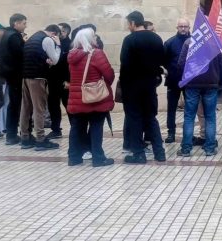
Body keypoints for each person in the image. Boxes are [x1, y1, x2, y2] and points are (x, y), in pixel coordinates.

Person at [120, 10, 166, 164]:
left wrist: (123, 86)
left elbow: (125, 65)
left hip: (132, 87)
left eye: (128, 24)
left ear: (133, 23)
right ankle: (159, 153)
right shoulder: (156, 39)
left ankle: (138, 154)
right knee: (151, 118)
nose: (128, 27)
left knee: (134, 119)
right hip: (150, 85)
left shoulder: (129, 40)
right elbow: (161, 61)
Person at [66, 28, 115, 167]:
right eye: (94, 36)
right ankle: (98, 158)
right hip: (95, 98)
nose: (96, 38)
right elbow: (109, 74)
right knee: (96, 127)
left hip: (77, 97)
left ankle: (74, 157)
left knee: (76, 127)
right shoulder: (96, 53)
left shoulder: (71, 55)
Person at [175, 28, 222, 159]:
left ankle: (186, 149)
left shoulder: (189, 42)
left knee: (189, 117)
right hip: (211, 84)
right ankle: (209, 148)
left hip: (192, 84)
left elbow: (181, 64)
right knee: (210, 117)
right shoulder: (215, 42)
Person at [20, 24, 62, 151]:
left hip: (26, 77)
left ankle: (25, 138)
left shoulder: (33, 38)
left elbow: (36, 56)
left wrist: (46, 60)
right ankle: (40, 139)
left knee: (26, 108)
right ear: (54, 34)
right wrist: (58, 46)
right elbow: (55, 60)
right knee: (40, 109)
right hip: (38, 78)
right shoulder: (47, 39)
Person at [0, 13, 27, 145]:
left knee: (13, 104)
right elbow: (21, 53)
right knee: (15, 105)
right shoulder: (14, 36)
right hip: (15, 75)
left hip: (10, 74)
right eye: (23, 23)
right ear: (16, 23)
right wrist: (25, 43)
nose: (25, 26)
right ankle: (11, 135)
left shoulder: (6, 34)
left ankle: (12, 134)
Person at [162, 18, 191, 143]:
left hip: (190, 81)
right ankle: (171, 133)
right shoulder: (169, 43)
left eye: (185, 26)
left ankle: (187, 134)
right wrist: (166, 70)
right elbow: (162, 61)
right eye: (181, 26)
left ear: (189, 27)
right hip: (173, 81)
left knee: (190, 110)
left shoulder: (195, 42)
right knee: (171, 109)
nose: (183, 28)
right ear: (177, 27)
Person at [46, 22, 71, 139]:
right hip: (52, 80)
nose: (56, 33)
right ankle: (56, 129)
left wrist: (68, 80)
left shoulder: (70, 45)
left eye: (60, 31)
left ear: (65, 32)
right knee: (53, 105)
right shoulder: (52, 43)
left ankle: (75, 128)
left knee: (68, 105)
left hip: (64, 81)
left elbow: (69, 65)